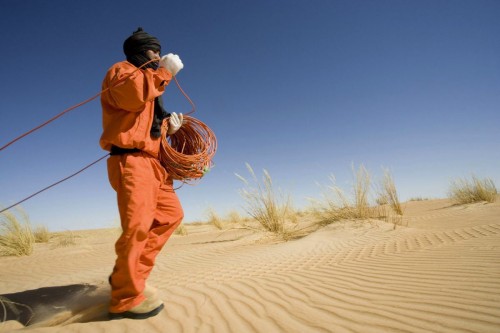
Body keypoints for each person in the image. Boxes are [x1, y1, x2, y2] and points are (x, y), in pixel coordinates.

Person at [99, 27, 185, 320]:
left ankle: (129, 276)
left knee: (170, 216)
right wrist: (164, 73)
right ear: (141, 50)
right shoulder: (121, 71)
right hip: (131, 161)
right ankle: (125, 298)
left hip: (155, 165)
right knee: (138, 226)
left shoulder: (151, 83)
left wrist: (167, 129)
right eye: (155, 51)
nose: (159, 56)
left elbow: (145, 122)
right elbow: (133, 97)